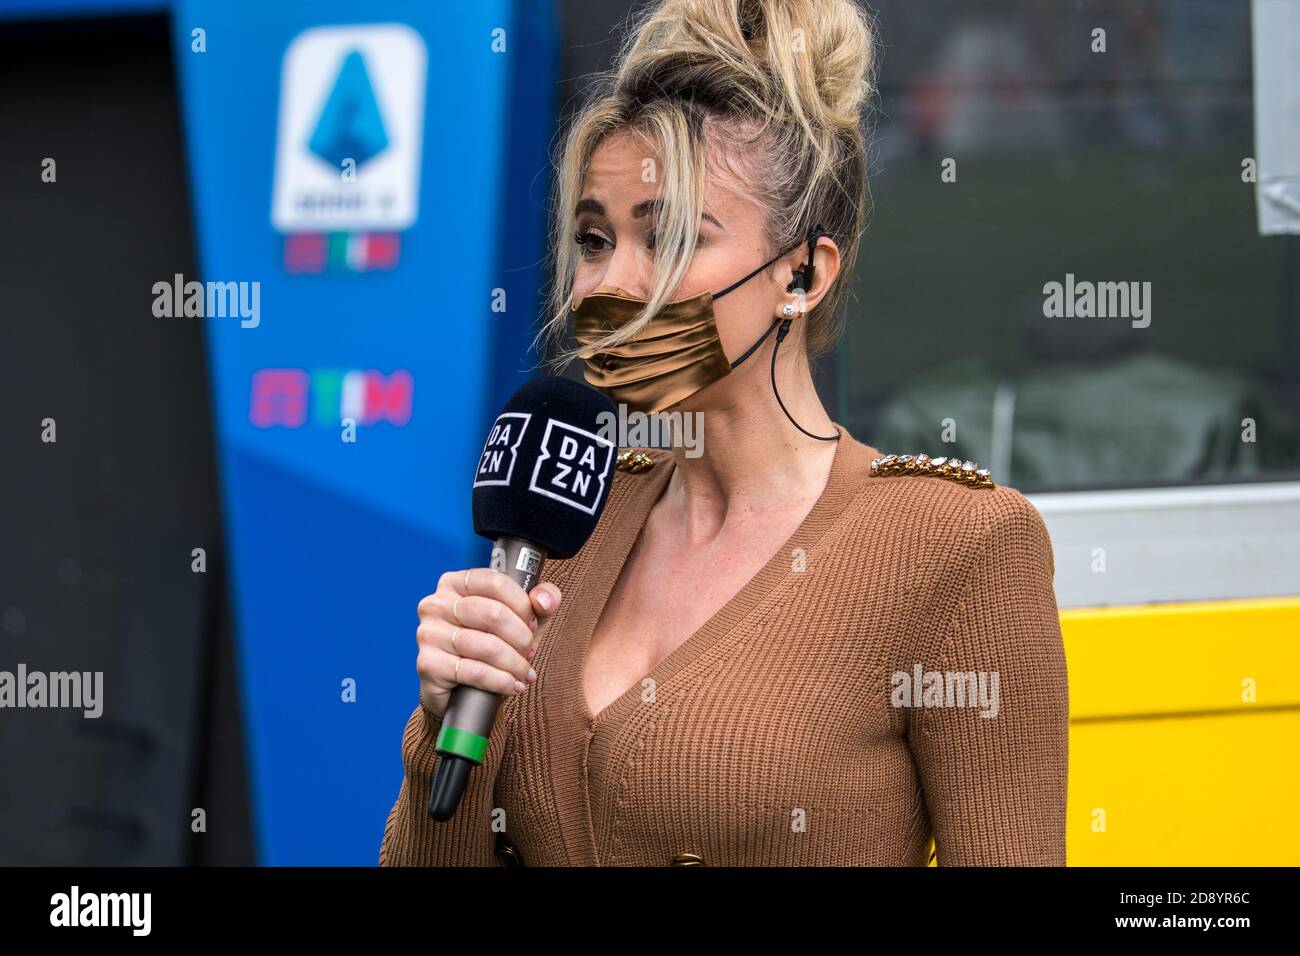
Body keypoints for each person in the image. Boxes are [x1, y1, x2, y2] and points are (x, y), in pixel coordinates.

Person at [380, 0, 1068, 867]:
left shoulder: (955, 545)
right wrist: (445, 720)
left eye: (669, 237)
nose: (613, 285)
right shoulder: (564, 514)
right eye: (595, 239)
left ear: (804, 274)